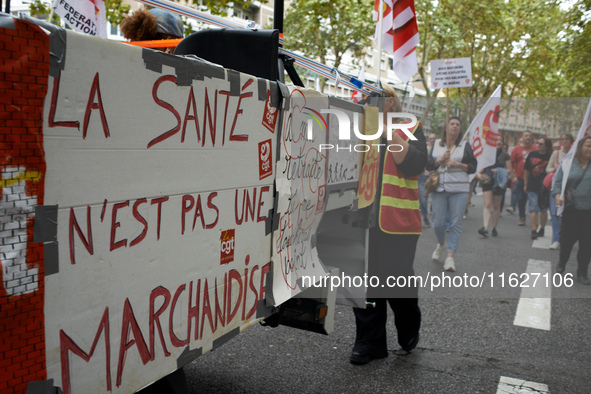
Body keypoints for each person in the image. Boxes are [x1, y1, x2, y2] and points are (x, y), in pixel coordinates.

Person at [350, 85, 427, 365]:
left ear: (391, 102)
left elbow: (414, 164)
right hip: (364, 218)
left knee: (397, 282)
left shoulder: (411, 126)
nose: (370, 101)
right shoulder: (361, 125)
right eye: (369, 97)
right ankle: (368, 343)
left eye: (378, 97)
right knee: (367, 283)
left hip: (399, 222)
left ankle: (408, 328)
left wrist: (387, 130)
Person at [427, 116, 477, 272]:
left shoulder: (465, 146)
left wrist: (457, 164)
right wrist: (440, 160)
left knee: (456, 223)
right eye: (452, 124)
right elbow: (428, 165)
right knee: (438, 223)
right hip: (440, 189)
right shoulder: (436, 145)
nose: (455, 126)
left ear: (460, 129)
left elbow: (473, 167)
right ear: (446, 128)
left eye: (458, 125)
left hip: (460, 190)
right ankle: (442, 244)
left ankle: (450, 257)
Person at [553, 136, 591, 285]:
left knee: (587, 244)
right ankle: (562, 262)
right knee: (567, 241)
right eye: (588, 145)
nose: (590, 149)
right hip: (571, 210)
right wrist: (557, 195)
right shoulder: (568, 163)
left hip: (588, 212)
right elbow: (557, 184)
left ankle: (582, 272)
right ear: (581, 147)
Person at [476, 134, 512, 237]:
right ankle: (485, 227)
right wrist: (478, 174)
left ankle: (494, 227)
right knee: (487, 204)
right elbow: (482, 167)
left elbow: (509, 170)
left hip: (499, 182)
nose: (498, 142)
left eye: (501, 140)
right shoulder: (486, 154)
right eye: (496, 140)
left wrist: (499, 171)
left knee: (496, 206)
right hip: (487, 180)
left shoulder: (505, 155)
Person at [545, 133, 574, 249]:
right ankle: (556, 239)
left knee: (568, 215)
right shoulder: (556, 154)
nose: (564, 141)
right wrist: (554, 168)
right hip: (556, 187)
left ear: (571, 141)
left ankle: (566, 238)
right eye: (562, 139)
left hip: (570, 189)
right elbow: (548, 169)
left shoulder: (575, 154)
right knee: (554, 213)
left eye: (567, 139)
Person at [524, 138, 552, 239]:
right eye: (538, 143)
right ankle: (533, 230)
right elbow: (527, 170)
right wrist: (525, 184)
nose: (538, 145)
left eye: (541, 144)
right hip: (532, 185)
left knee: (543, 209)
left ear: (547, 146)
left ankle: (542, 228)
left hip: (545, 187)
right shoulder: (532, 154)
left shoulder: (550, 156)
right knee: (533, 208)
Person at [508, 131, 536, 225]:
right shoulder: (516, 149)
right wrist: (513, 177)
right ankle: (522, 217)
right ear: (522, 137)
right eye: (526, 136)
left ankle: (534, 219)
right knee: (521, 199)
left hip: (533, 178)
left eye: (530, 136)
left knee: (533, 199)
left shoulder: (535, 148)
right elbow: (511, 164)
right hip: (520, 178)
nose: (528, 137)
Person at [418, 133, 437, 228]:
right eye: (431, 138)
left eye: (434, 138)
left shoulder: (437, 148)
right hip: (418, 175)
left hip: (429, 175)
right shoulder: (422, 147)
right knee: (420, 198)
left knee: (428, 197)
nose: (432, 140)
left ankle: (428, 215)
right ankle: (423, 217)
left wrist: (428, 170)